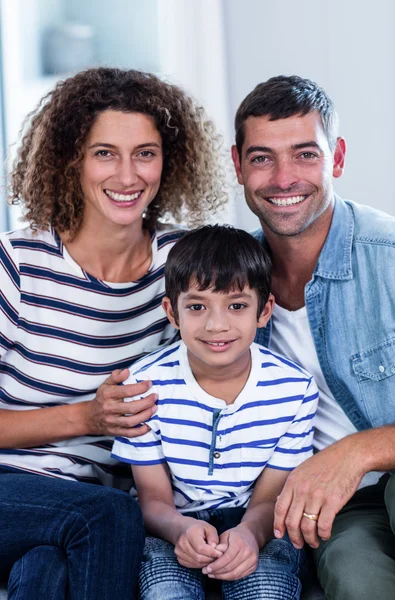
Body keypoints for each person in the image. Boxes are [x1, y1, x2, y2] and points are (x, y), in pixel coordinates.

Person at [0, 67, 226, 600]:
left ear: (168, 161)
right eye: (105, 153)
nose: (128, 176)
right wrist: (88, 417)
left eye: (145, 153)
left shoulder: (184, 265)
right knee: (109, 517)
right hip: (14, 492)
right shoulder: (16, 264)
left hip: (85, 511)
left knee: (46, 571)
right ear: (71, 159)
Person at [231, 74, 395, 599]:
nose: (284, 178)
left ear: (337, 158)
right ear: (237, 165)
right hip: (340, 512)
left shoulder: (391, 258)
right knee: (356, 578)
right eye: (262, 159)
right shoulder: (230, 286)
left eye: (305, 154)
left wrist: (355, 453)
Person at [112, 225, 319, 600]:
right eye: (197, 306)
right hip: (171, 526)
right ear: (172, 313)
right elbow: (153, 500)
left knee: (267, 589)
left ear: (264, 310)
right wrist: (179, 530)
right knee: (165, 591)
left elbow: (269, 499)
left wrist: (248, 535)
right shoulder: (141, 386)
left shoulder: (295, 390)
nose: (216, 324)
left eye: (237, 305)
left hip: (258, 524)